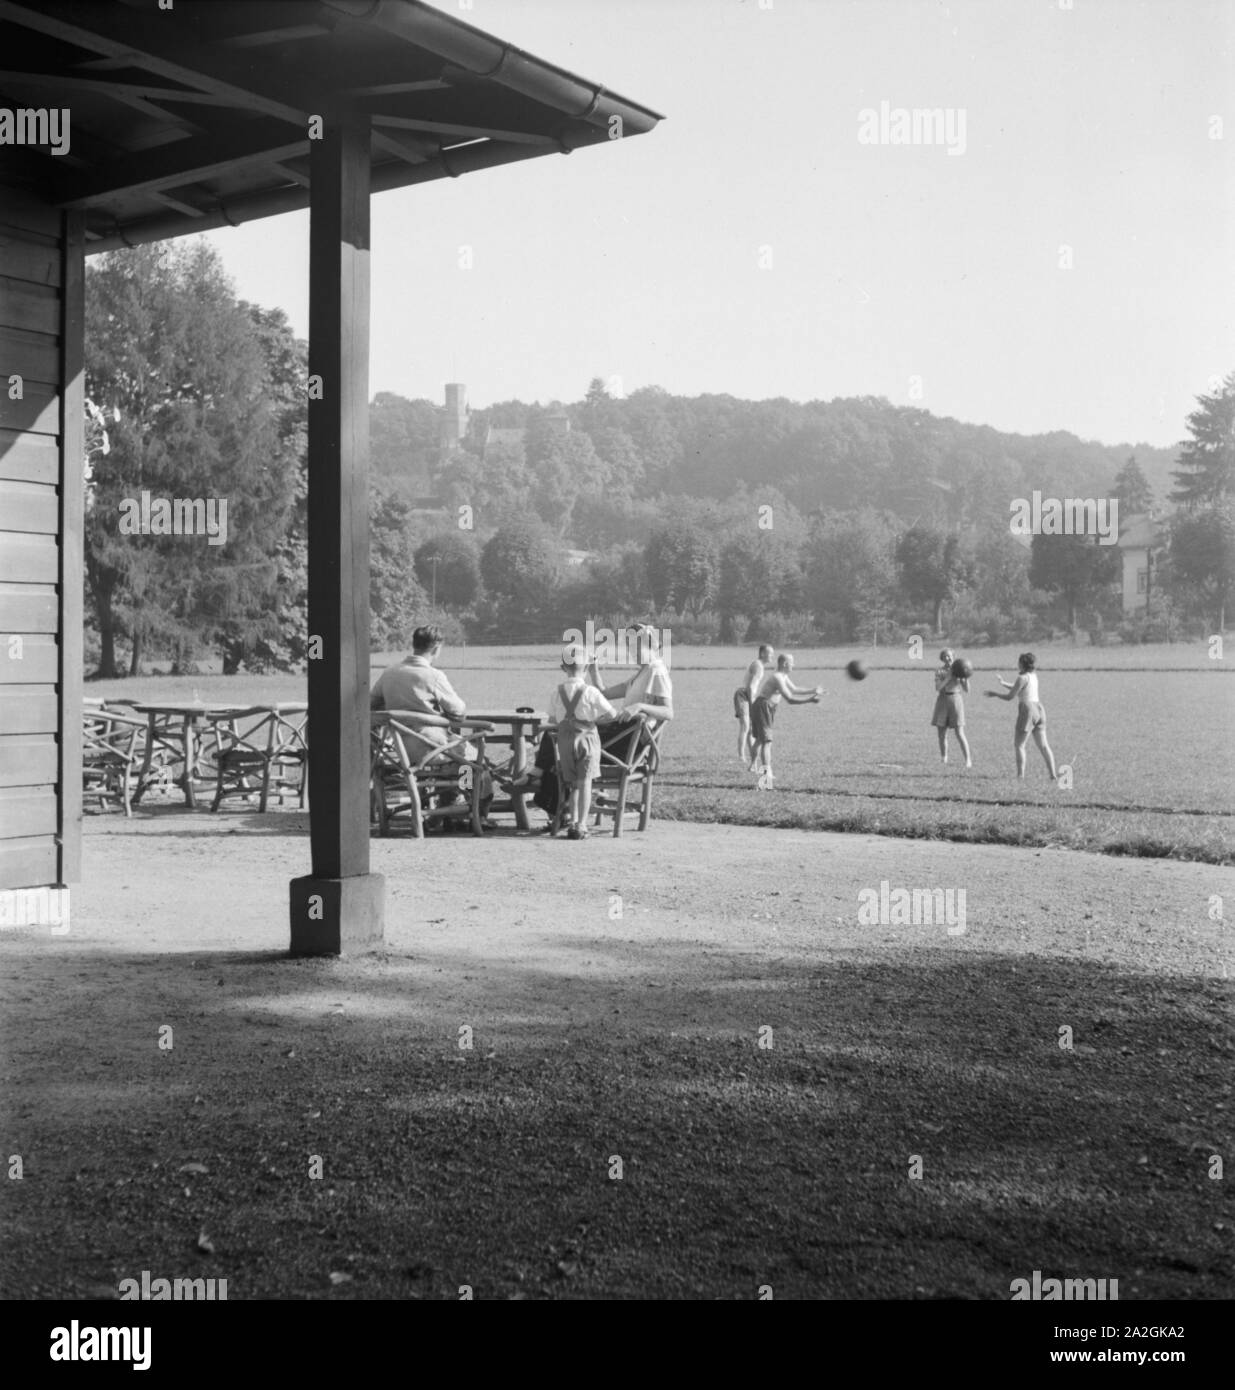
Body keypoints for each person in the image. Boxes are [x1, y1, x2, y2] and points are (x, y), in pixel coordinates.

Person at [370, 625, 491, 816]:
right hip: (432, 751)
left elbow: (370, 705)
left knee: (458, 753)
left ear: (414, 644)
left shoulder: (390, 673)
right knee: (475, 762)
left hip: (400, 752)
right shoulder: (433, 676)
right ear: (436, 648)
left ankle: (446, 807)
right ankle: (470, 810)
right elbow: (459, 711)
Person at [547, 643, 617, 840]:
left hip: (565, 741)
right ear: (586, 668)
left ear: (563, 668)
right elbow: (612, 714)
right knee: (585, 782)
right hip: (586, 738)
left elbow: (552, 719)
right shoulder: (591, 692)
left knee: (573, 783)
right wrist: (595, 719)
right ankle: (582, 824)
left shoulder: (557, 691)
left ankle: (572, 820)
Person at [748, 653, 821, 787]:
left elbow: (794, 689)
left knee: (760, 739)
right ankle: (766, 774)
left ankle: (752, 766)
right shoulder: (777, 677)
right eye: (792, 662)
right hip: (763, 706)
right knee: (767, 741)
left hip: (766, 707)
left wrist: (813, 690)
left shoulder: (783, 676)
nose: (794, 665)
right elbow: (790, 699)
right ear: (785, 664)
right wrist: (810, 700)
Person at [985, 651, 1058, 781]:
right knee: (1044, 746)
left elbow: (1010, 697)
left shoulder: (1021, 678)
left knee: (1019, 745)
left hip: (1027, 710)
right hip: (1039, 709)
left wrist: (994, 694)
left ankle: (1020, 776)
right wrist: (1003, 683)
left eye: (1019, 662)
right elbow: (1020, 689)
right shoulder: (1033, 676)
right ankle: (1053, 775)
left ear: (1022, 664)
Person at [734, 644, 773, 764]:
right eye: (770, 653)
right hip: (744, 695)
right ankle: (741, 756)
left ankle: (752, 759)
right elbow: (750, 687)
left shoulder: (760, 666)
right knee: (745, 726)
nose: (772, 656)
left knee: (750, 729)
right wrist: (752, 705)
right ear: (762, 653)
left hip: (749, 696)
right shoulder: (758, 666)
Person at [931, 655, 973, 768]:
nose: (948, 659)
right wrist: (948, 678)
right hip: (942, 700)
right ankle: (944, 758)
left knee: (959, 732)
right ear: (942, 659)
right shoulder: (939, 671)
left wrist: (965, 677)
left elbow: (967, 690)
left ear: (953, 657)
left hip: (956, 700)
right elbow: (938, 688)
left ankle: (968, 760)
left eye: (949, 656)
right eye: (945, 657)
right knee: (941, 733)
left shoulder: (959, 669)